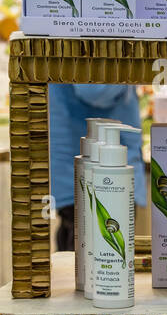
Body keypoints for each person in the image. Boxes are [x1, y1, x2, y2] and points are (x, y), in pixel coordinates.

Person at [50, 83, 146, 251]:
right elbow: (94, 90)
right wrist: (133, 70)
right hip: (99, 179)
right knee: (103, 264)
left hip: (88, 176)